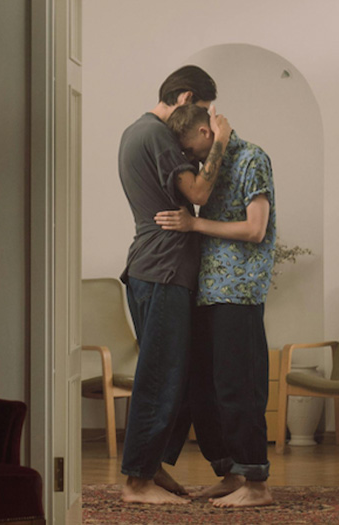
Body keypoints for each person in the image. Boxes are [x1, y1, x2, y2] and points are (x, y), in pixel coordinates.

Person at [117, 65, 232, 505]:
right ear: (185, 99)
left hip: (155, 270)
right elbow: (199, 194)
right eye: (202, 111)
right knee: (161, 377)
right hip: (162, 270)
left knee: (175, 375)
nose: (202, 123)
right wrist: (219, 141)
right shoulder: (158, 135)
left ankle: (153, 466)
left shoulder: (135, 131)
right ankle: (137, 482)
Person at [154, 103, 277, 508]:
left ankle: (257, 484)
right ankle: (231, 473)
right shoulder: (214, 161)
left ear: (207, 133)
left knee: (237, 387)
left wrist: (195, 224)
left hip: (238, 292)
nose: (190, 160)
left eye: (191, 150)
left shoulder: (252, 159)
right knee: (203, 387)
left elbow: (255, 229)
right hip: (207, 289)